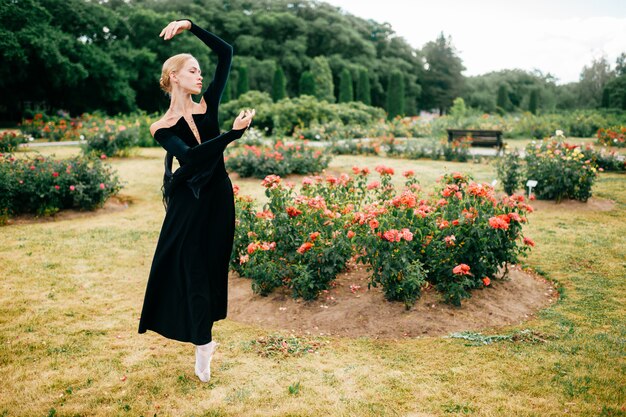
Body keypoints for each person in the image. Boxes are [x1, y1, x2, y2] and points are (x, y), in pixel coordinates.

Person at [138, 19, 255, 383]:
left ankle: (204, 337)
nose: (200, 76)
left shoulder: (208, 105)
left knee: (211, 264)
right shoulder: (161, 126)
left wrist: (191, 26)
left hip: (219, 196)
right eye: (192, 70)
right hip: (188, 202)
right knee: (187, 267)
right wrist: (231, 136)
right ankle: (203, 342)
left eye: (200, 72)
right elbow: (189, 157)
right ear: (174, 76)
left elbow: (226, 53)